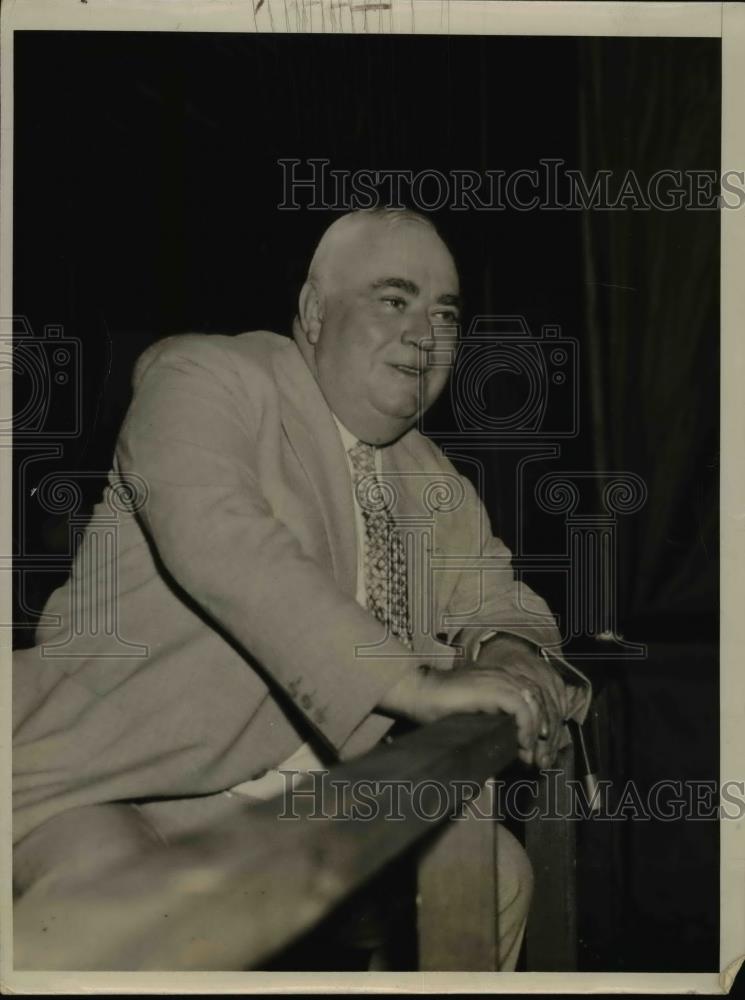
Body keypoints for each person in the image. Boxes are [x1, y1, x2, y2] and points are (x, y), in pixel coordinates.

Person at [13, 208, 590, 970]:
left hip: (306, 806)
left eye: (444, 312)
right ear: (315, 313)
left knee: (491, 874)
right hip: (111, 781)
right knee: (126, 919)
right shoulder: (206, 377)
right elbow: (220, 541)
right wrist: (409, 684)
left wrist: (511, 648)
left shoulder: (429, 474)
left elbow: (497, 594)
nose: (426, 333)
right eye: (394, 298)